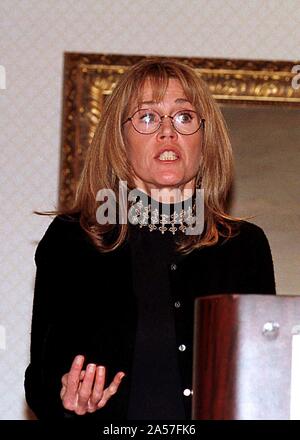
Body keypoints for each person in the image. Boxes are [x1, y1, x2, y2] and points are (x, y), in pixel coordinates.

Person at [24, 58, 276, 420]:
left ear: (206, 138)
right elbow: (41, 381)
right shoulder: (72, 241)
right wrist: (66, 396)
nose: (168, 133)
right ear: (119, 139)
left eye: (184, 117)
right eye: (147, 117)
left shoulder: (243, 246)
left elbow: (263, 377)